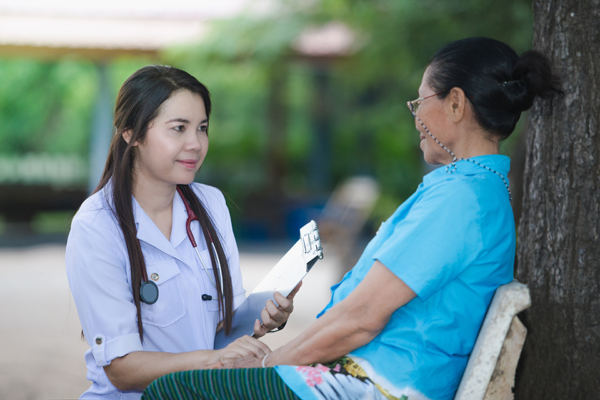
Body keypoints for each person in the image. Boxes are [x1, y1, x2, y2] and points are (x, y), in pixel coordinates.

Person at [142, 37, 563, 400]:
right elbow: (351, 318)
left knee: (174, 390)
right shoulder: (475, 190)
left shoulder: (463, 199)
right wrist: (272, 358)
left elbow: (360, 320)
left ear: (455, 103)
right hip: (371, 377)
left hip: (380, 385)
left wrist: (269, 363)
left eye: (421, 102)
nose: (416, 116)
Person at [66, 65, 300, 399]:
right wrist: (210, 360)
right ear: (131, 133)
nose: (195, 144)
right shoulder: (97, 226)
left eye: (202, 128)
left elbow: (220, 333)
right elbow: (121, 369)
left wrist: (263, 317)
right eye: (178, 128)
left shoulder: (211, 205)